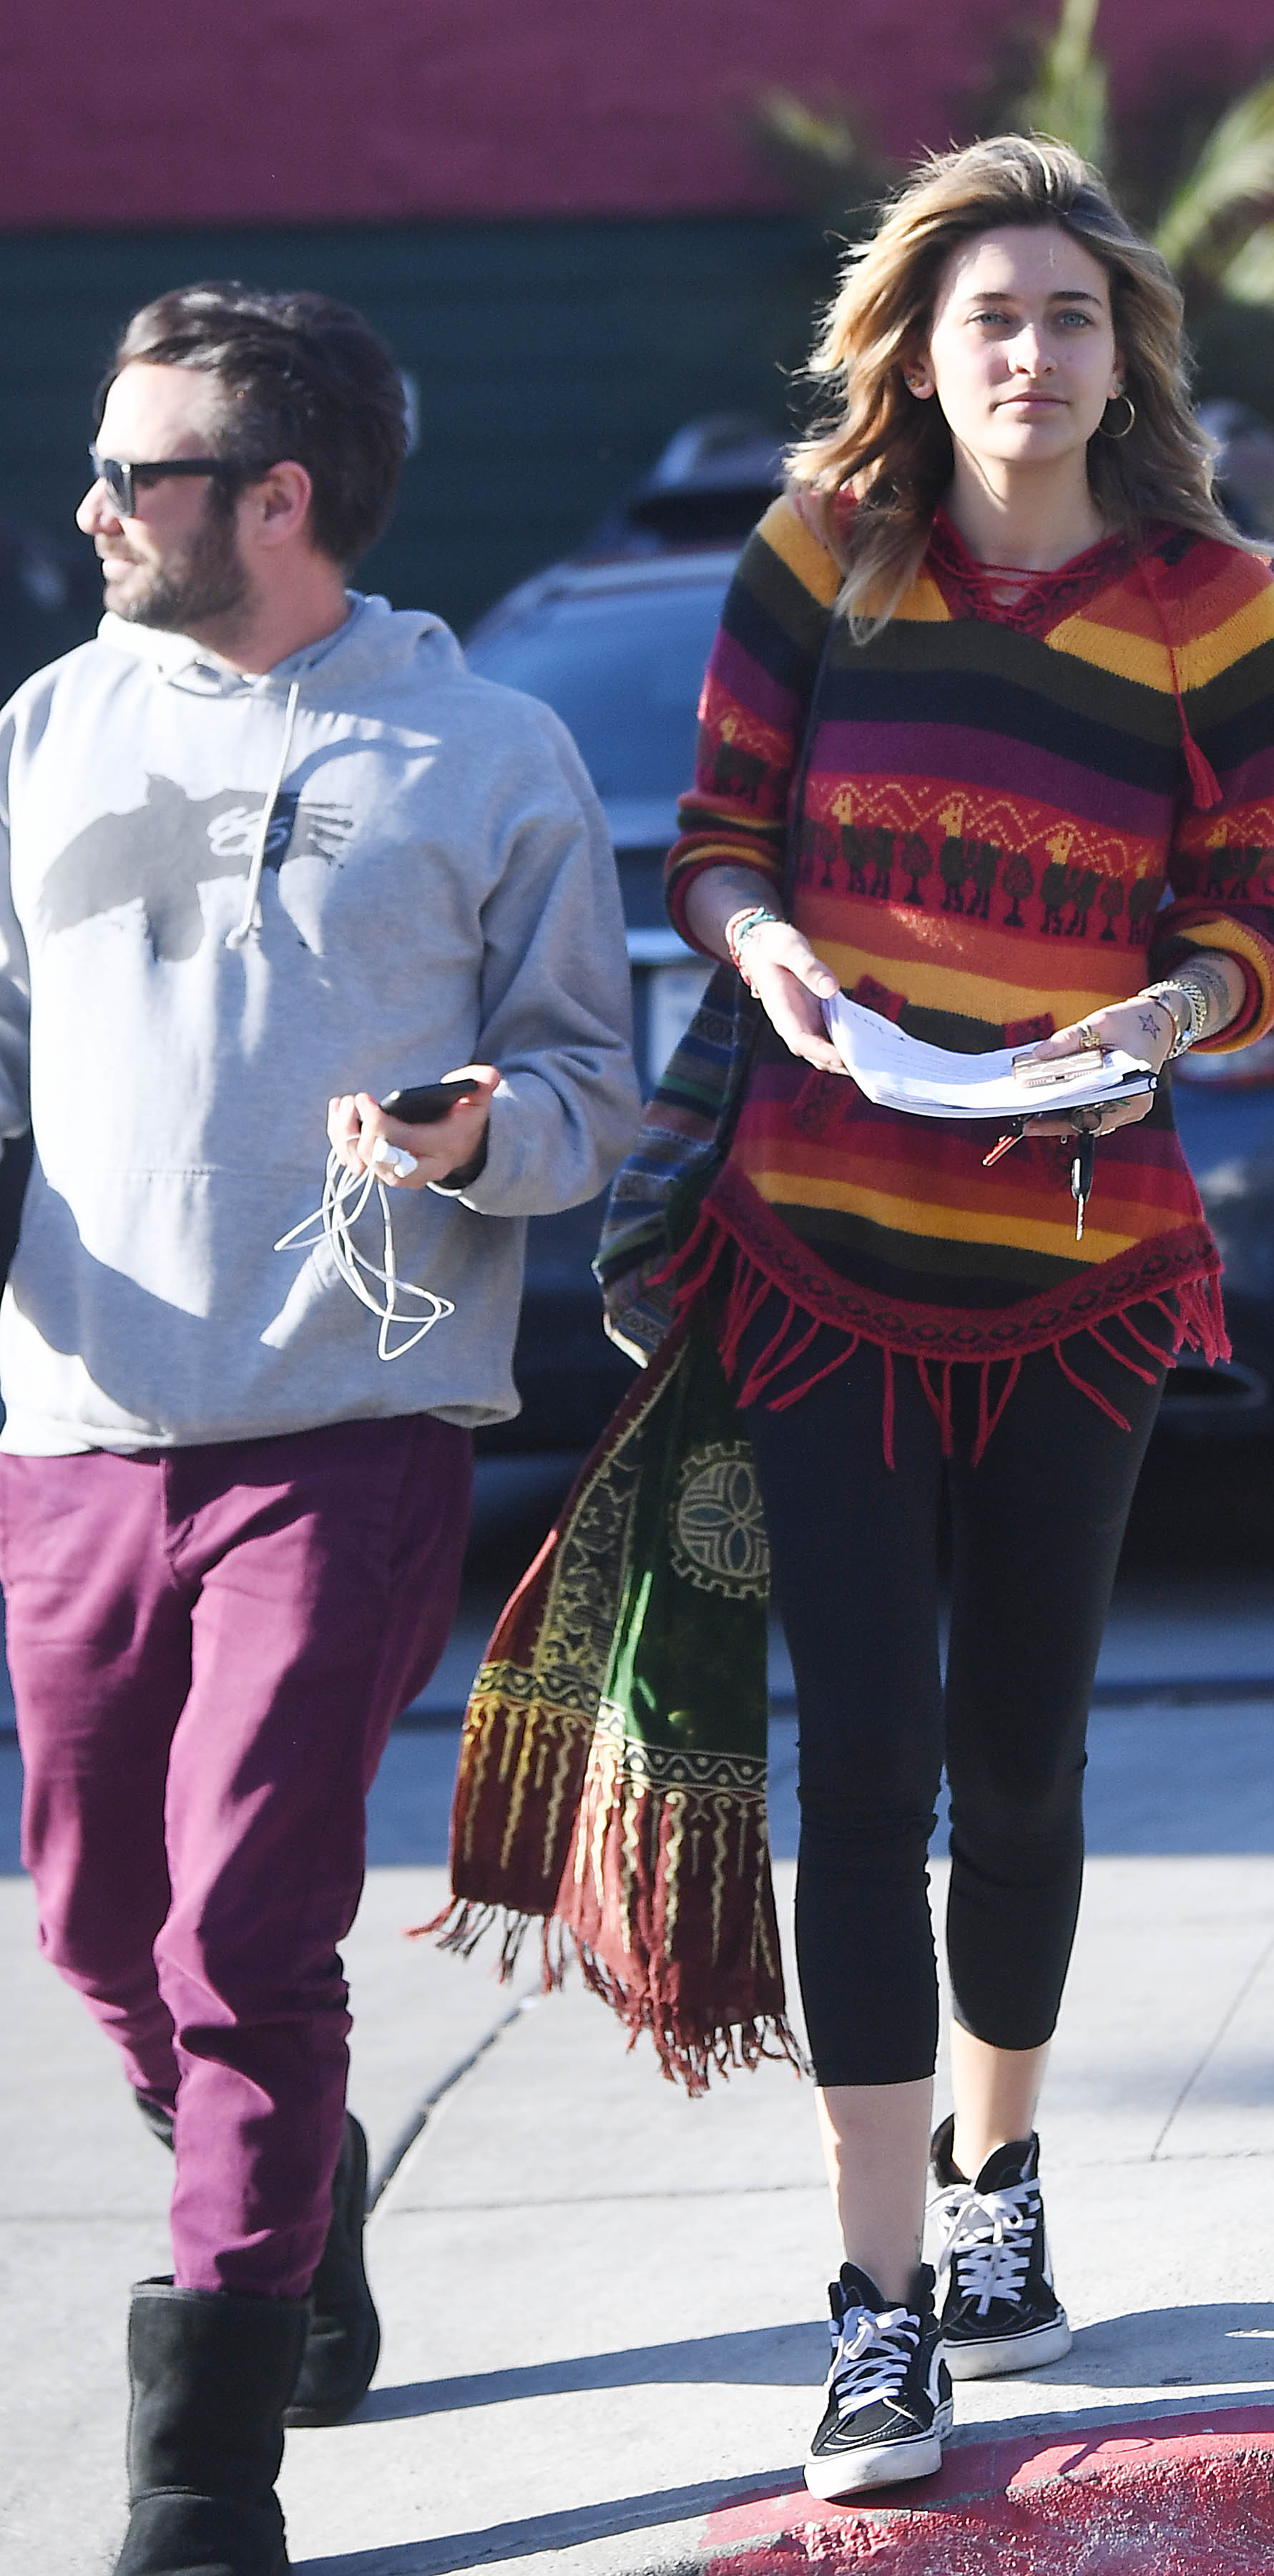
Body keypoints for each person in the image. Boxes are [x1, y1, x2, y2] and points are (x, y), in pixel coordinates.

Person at [662, 136, 1274, 2499]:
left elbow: (1249, 921)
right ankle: (875, 2310)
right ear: (920, 358)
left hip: (1083, 1264)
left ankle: (998, 2170)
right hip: (818, 1241)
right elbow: (715, 841)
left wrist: (1166, 1020)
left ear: (1127, 356)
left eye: (1069, 316)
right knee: (865, 1764)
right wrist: (770, 950)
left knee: (1021, 1757)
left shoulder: (1217, 601)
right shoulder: (819, 553)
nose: (1032, 354)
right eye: (989, 319)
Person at [0, 283, 637, 2575]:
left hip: (351, 1426)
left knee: (244, 1933)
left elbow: (591, 1089)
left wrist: (480, 1137)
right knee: (101, 1925)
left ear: (276, 498)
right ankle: (282, 2174)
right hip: (74, 1419)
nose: (90, 506)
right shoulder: (48, 727)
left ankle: (204, 2465)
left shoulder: (485, 753)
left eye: (134, 472)